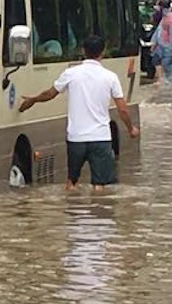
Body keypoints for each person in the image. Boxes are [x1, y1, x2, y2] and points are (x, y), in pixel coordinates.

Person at [17, 35, 139, 189]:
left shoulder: (71, 73)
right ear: (103, 52)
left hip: (76, 138)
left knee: (71, 182)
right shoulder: (110, 77)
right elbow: (122, 109)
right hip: (100, 138)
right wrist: (131, 129)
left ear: (83, 50)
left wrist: (33, 100)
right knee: (100, 185)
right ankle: (99, 210)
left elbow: (50, 94)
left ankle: (72, 210)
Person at [151, 1, 172, 84]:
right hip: (162, 44)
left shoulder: (171, 19)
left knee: (169, 67)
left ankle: (168, 83)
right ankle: (161, 79)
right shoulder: (165, 17)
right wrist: (154, 43)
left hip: (170, 46)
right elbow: (159, 30)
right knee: (157, 60)